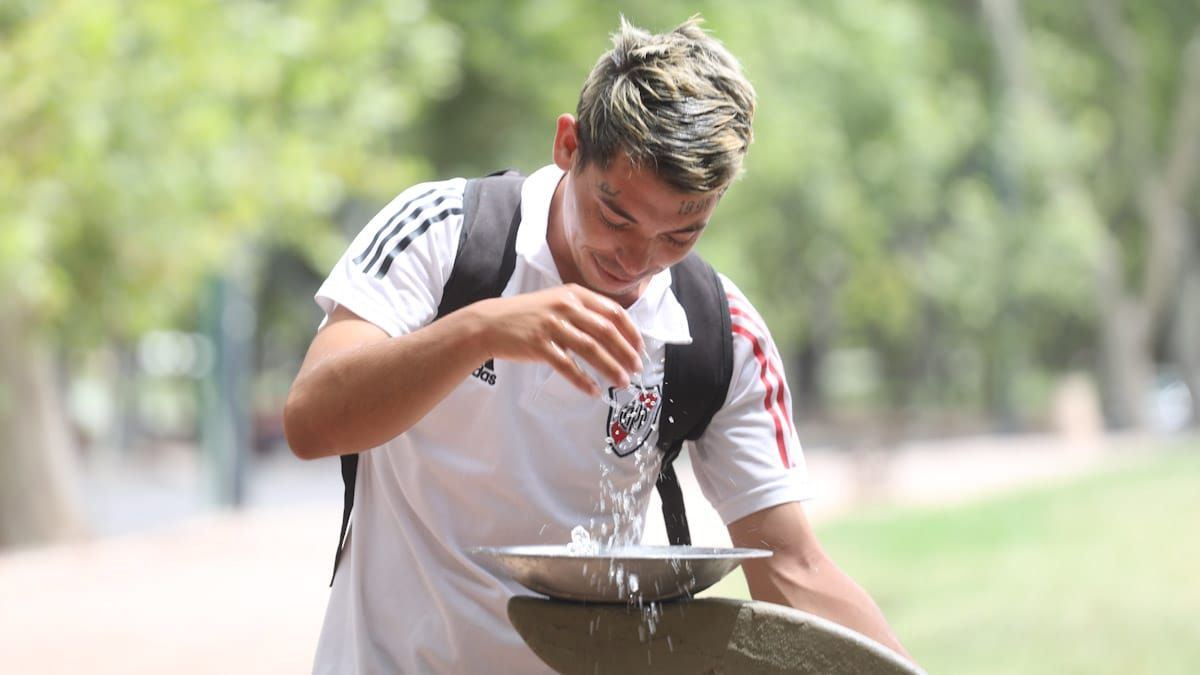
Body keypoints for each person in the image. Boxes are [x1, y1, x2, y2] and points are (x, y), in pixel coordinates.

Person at [285, 16, 913, 674]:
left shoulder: (719, 332)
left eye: (680, 233)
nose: (637, 261)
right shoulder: (446, 236)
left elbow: (793, 564)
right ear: (568, 144)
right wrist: (483, 329)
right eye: (617, 214)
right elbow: (311, 420)